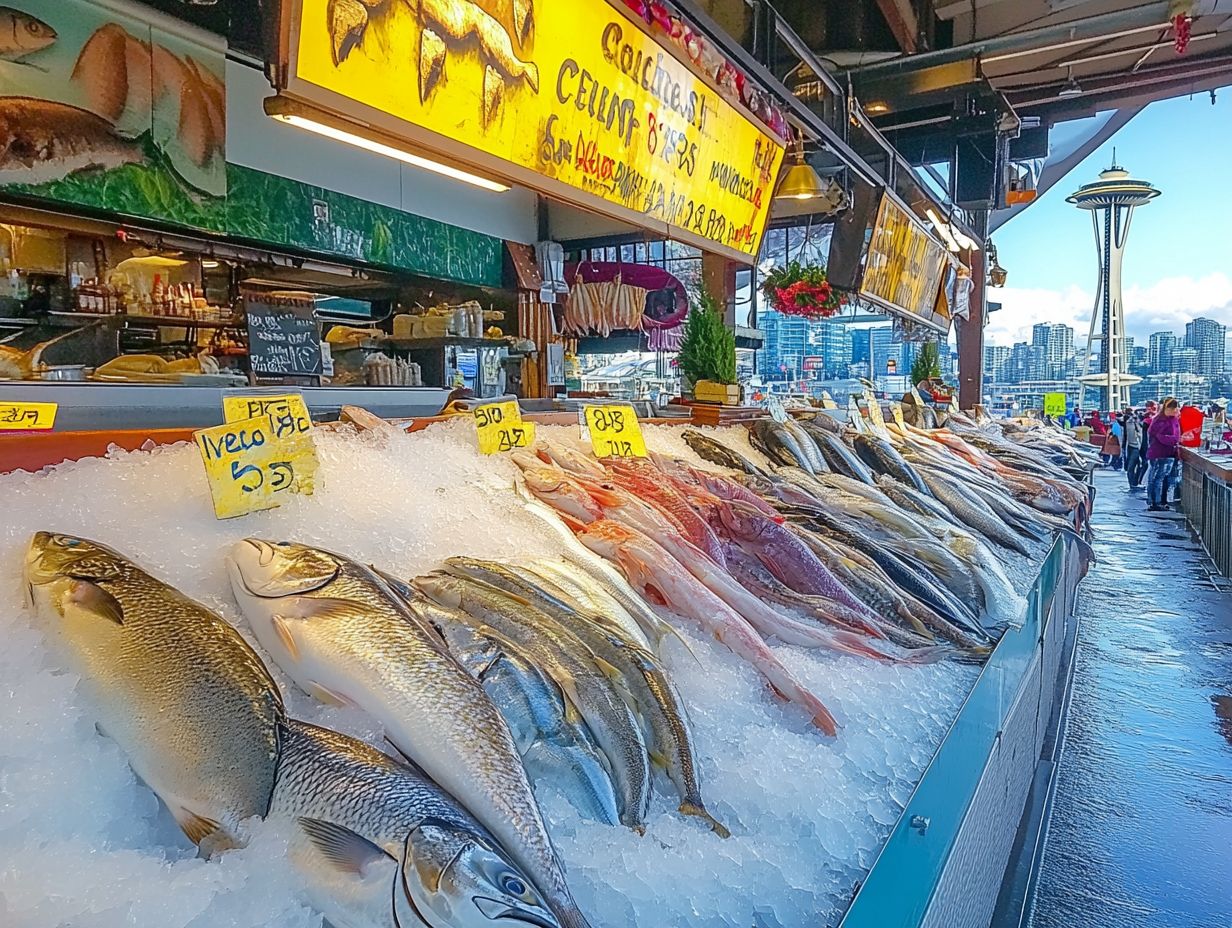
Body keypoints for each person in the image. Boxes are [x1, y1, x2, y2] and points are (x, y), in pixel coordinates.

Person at [1146, 398, 1181, 511]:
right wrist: (1171, 440)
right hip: (1161, 453)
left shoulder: (1164, 420)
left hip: (1162, 452)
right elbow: (1173, 438)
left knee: (1157, 478)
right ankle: (1157, 502)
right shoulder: (1165, 420)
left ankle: (1155, 501)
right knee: (1158, 478)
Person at [1123, 406, 1143, 488]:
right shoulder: (1127, 422)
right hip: (1131, 447)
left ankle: (1135, 482)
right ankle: (1133, 483)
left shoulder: (1137, 424)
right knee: (1131, 467)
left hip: (1136, 447)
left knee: (1135, 466)